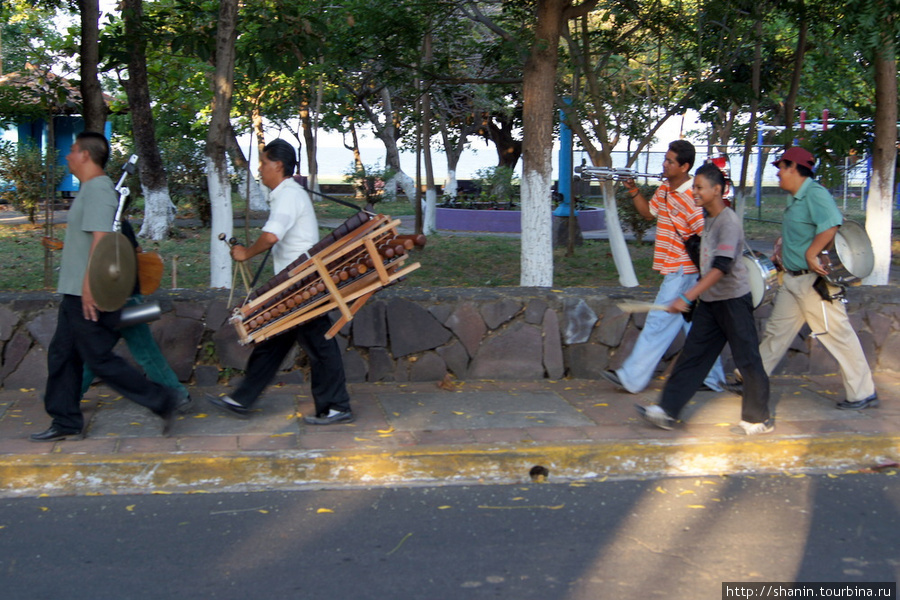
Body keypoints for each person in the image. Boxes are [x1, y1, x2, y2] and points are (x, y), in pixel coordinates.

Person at [31, 132, 187, 442]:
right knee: (63, 354)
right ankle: (65, 420)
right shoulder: (90, 190)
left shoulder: (100, 191)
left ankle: (163, 399)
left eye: (72, 151)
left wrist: (90, 287)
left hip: (84, 293)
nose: (68, 156)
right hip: (74, 291)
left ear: (86, 155)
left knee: (99, 358)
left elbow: (102, 242)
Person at [207, 139, 353, 424]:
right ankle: (242, 398)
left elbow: (272, 235)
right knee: (273, 341)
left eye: (263, 163)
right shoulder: (288, 194)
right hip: (295, 283)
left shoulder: (288, 195)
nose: (260, 169)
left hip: (303, 284)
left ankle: (337, 406)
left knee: (320, 344)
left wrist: (246, 253)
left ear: (278, 165)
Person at [635, 163, 772, 435]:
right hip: (711, 302)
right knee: (693, 357)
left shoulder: (728, 221)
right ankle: (667, 411)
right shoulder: (708, 218)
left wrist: (687, 296)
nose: (694, 192)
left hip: (733, 300)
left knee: (748, 359)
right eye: (694, 187)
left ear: (717, 190)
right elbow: (708, 265)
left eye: (699, 187)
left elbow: (721, 267)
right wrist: (696, 297)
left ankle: (758, 420)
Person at [756, 146, 877, 410]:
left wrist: (812, 253)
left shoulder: (815, 193)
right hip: (792, 280)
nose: (777, 174)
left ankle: (863, 392)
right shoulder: (795, 197)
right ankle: (752, 380)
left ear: (793, 168)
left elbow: (832, 224)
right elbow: (804, 229)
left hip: (814, 283)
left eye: (780, 168)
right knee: (776, 333)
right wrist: (783, 244)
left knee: (838, 335)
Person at [601, 140, 726, 393]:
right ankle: (714, 379)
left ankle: (632, 378)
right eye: (665, 160)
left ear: (685, 167)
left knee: (659, 322)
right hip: (676, 268)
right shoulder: (666, 190)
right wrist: (634, 190)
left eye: (670, 162)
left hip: (684, 270)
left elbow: (706, 237)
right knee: (694, 327)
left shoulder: (693, 198)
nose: (664, 165)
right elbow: (649, 213)